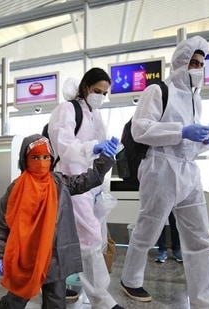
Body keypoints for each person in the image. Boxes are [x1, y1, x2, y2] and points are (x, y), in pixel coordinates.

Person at [119, 35, 209, 309]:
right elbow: (140, 129)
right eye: (192, 62)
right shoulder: (158, 91)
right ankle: (130, 279)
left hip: (189, 171)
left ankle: (205, 300)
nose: (196, 68)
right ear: (180, 62)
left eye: (200, 63)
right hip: (160, 168)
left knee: (200, 238)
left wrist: (208, 140)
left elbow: (188, 144)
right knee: (148, 229)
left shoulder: (196, 98)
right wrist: (181, 131)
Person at [0, 134, 118, 309]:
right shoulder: (16, 189)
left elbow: (87, 180)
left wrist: (104, 159)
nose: (41, 161)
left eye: (45, 157)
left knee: (56, 302)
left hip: (55, 258)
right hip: (26, 256)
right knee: (15, 300)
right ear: (25, 159)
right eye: (35, 157)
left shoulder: (59, 183)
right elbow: (3, 225)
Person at [48, 68, 124, 309]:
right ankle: (102, 300)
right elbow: (64, 146)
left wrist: (109, 149)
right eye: (96, 91)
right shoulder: (67, 109)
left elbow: (97, 151)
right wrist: (94, 147)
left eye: (105, 93)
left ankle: (63, 286)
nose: (100, 96)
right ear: (85, 87)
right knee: (89, 236)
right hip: (70, 181)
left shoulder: (95, 115)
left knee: (87, 237)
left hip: (90, 184)